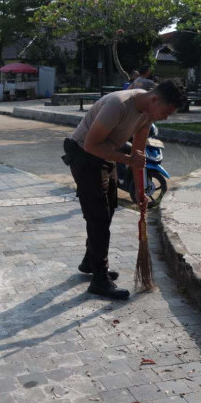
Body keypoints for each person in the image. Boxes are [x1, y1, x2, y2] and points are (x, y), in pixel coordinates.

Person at [63, 80, 186, 300]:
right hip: (84, 155)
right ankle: (99, 279)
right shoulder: (117, 105)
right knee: (98, 216)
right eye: (166, 112)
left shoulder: (147, 113)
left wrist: (140, 191)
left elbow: (138, 156)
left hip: (106, 155)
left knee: (108, 210)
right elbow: (92, 145)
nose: (166, 118)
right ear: (155, 99)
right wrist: (127, 158)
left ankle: (91, 261)